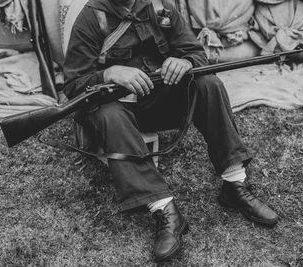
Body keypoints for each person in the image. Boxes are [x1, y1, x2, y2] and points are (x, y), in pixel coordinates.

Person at [63, 0, 278, 262]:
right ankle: (165, 210)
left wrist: (185, 62)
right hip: (116, 114)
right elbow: (74, 84)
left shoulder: (160, 7)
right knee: (109, 113)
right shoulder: (92, 17)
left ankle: (234, 184)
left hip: (157, 103)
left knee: (208, 83)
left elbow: (197, 54)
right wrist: (109, 73)